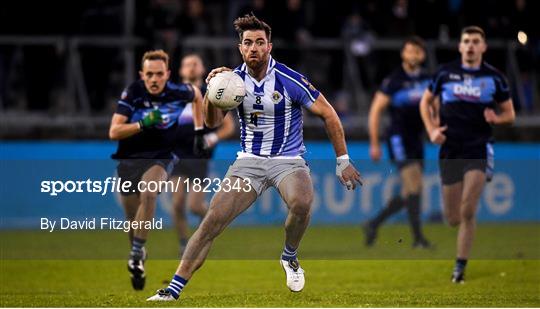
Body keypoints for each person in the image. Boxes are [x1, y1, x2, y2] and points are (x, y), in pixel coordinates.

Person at [147, 14, 362, 301]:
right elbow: (212, 121)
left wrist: (343, 160)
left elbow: (329, 114)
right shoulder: (231, 81)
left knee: (302, 202)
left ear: (269, 47)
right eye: (248, 43)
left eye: (260, 42)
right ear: (240, 48)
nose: (254, 48)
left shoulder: (289, 79)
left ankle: (289, 256)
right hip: (247, 163)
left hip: (288, 160)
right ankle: (172, 291)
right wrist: (212, 94)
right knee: (212, 221)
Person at [419, 26, 515, 283]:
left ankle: (459, 267)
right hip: (450, 148)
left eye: (475, 41)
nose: (470, 46)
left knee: (468, 210)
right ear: (460, 46)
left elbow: (510, 114)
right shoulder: (445, 73)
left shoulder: (495, 78)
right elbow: (425, 102)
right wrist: (431, 130)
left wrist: (498, 117)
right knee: (452, 218)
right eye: (466, 41)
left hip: (478, 147)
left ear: (483, 47)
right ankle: (460, 257)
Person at [108, 49, 205, 290]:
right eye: (149, 74)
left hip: (162, 156)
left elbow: (196, 95)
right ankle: (139, 255)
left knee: (149, 192)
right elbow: (114, 132)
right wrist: (142, 124)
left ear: (167, 74)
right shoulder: (133, 93)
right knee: (132, 220)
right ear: (142, 74)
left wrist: (199, 129)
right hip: (130, 158)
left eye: (159, 74)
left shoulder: (177, 91)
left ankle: (136, 251)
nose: (154, 79)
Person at [364, 36, 431, 248]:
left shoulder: (427, 80)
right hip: (398, 138)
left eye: (417, 51)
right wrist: (374, 142)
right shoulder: (394, 80)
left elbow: (434, 107)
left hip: (417, 139)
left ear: (423, 55)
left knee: (410, 192)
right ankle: (418, 238)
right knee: (414, 185)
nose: (413, 54)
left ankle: (373, 224)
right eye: (410, 50)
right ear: (403, 54)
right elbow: (375, 111)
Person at [171, 54, 236, 255]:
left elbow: (229, 126)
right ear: (181, 71)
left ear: (201, 70)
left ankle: (210, 224)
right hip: (177, 155)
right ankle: (184, 243)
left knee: (194, 205)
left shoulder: (212, 94)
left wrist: (212, 139)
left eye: (195, 64)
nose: (191, 68)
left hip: (199, 156)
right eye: (187, 64)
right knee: (177, 203)